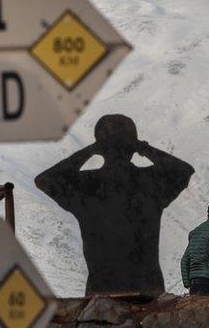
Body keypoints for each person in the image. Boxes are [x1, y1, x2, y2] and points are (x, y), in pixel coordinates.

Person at [35, 114, 195, 296]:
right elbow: (183, 171)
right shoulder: (150, 182)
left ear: (101, 147)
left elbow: (46, 180)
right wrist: (143, 148)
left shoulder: (87, 185)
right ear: (132, 146)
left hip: (101, 290)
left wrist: (90, 150)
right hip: (148, 289)